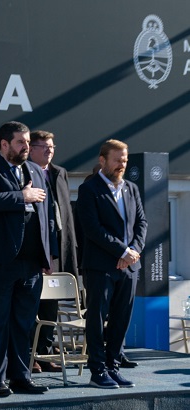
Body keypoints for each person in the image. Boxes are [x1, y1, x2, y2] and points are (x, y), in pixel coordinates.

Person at [0, 121, 56, 397]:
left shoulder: (36, 171)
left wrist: (48, 253)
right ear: (4, 144)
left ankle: (21, 376)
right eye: (21, 142)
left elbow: (47, 215)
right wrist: (22, 196)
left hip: (30, 262)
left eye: (28, 142)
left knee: (24, 323)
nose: (26, 147)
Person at [77, 139, 147, 389]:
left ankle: (113, 367)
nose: (122, 165)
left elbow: (141, 223)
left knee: (121, 319)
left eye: (124, 160)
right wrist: (123, 251)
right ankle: (97, 371)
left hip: (129, 267)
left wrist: (133, 251)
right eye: (117, 160)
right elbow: (92, 229)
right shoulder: (89, 189)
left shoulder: (131, 188)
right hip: (100, 267)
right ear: (102, 160)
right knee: (97, 319)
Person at [27, 130, 78, 373]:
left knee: (50, 306)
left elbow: (64, 215)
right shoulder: (24, 172)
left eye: (52, 146)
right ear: (31, 149)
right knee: (31, 306)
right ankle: (29, 356)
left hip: (57, 250)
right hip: (35, 251)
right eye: (44, 146)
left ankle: (45, 354)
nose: (49, 150)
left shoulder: (60, 173)